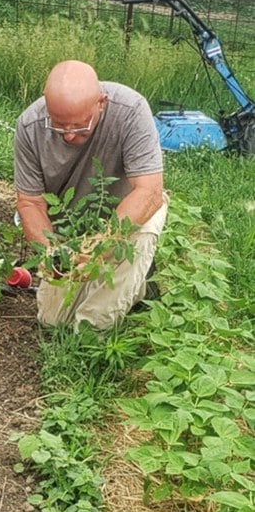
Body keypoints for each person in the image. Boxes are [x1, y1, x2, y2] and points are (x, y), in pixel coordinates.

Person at [14, 59, 169, 331]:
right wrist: (48, 250)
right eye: (59, 126)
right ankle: (137, 285)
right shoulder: (29, 125)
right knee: (52, 321)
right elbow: (30, 202)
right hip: (70, 224)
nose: (69, 136)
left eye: (79, 126)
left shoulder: (131, 111)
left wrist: (102, 244)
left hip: (127, 215)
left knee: (92, 323)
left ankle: (94, 331)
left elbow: (149, 192)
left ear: (101, 102)